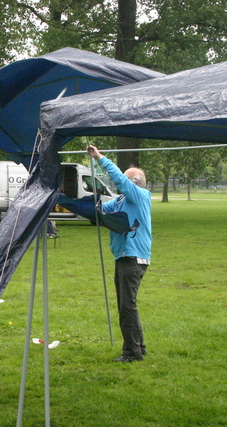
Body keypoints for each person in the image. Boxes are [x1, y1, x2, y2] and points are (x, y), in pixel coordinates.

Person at [87, 145, 152, 363]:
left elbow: (121, 182)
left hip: (133, 257)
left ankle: (132, 352)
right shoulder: (123, 200)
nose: (119, 183)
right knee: (127, 304)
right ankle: (138, 347)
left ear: (135, 183)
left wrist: (100, 159)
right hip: (124, 255)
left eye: (125, 180)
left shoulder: (139, 195)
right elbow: (102, 210)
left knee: (127, 306)